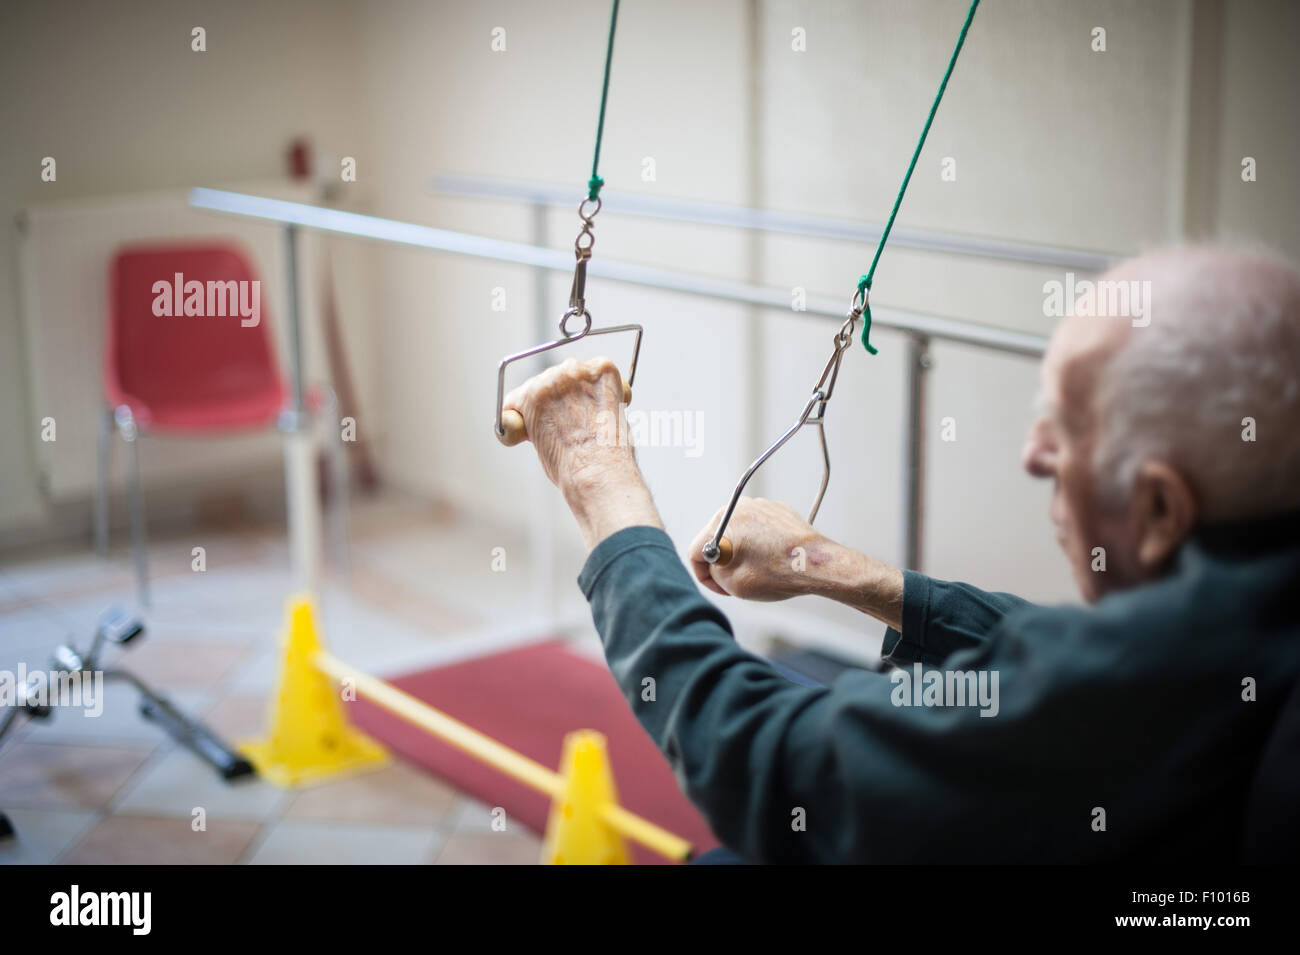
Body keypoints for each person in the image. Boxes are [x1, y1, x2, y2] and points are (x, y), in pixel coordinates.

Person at [500, 244, 1300, 863]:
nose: (1032, 452)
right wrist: (824, 563)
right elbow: (1056, 651)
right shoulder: (1245, 616)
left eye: (1065, 427)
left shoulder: (1135, 683)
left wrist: (605, 490)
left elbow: (769, 762)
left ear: (1159, 508)